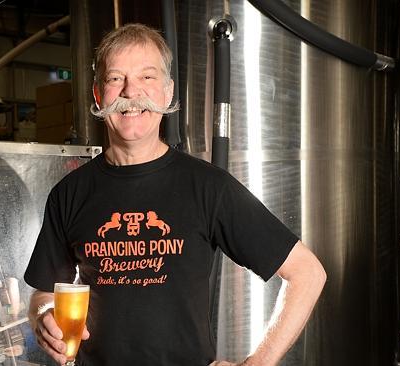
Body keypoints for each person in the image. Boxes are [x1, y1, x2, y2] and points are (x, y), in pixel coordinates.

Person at [24, 23, 326, 366]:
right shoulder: (69, 193)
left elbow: (307, 273)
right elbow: (45, 291)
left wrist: (258, 362)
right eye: (115, 79)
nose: (130, 92)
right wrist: (43, 315)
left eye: (147, 77)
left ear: (167, 93)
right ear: (98, 94)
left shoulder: (207, 187)